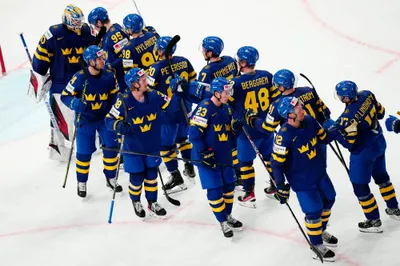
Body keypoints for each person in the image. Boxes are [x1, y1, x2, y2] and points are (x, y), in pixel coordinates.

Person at [105, 68, 188, 218]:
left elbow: (171, 110)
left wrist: (176, 93)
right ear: (134, 84)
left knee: (151, 175)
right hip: (133, 149)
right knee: (136, 178)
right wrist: (118, 126)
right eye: (142, 80)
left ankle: (152, 202)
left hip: (152, 145)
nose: (146, 82)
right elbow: (108, 120)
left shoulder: (154, 95)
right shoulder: (123, 100)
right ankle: (136, 201)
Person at [245, 69, 331, 197]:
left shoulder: (279, 104)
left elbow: (267, 128)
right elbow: (326, 112)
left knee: (305, 174)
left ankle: (314, 206)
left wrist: (253, 119)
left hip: (300, 143)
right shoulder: (308, 91)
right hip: (319, 136)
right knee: (320, 169)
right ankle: (324, 197)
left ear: (281, 86)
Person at [271, 97, 338, 262]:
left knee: (330, 199)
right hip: (302, 181)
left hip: (319, 172)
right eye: (298, 109)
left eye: (301, 106)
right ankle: (316, 244)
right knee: (313, 210)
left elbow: (324, 138)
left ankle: (320, 230)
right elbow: (277, 164)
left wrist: (336, 128)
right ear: (289, 115)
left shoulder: (309, 120)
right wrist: (280, 185)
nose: (302, 110)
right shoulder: (283, 136)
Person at [331, 81, 400, 232]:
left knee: (360, 186)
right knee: (382, 177)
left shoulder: (347, 118)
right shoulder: (367, 95)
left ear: (346, 98)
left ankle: (373, 220)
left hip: (363, 154)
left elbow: (351, 144)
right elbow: (381, 113)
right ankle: (394, 208)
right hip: (379, 143)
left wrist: (336, 132)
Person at [30, 4, 96, 162]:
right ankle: (61, 153)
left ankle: (95, 146)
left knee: (92, 115)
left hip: (85, 83)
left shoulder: (87, 31)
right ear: (66, 20)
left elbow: (98, 52)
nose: (78, 25)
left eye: (79, 21)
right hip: (61, 85)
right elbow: (40, 59)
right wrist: (39, 80)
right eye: (75, 21)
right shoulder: (52, 34)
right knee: (62, 122)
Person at [61, 45, 122, 198]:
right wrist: (75, 103)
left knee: (111, 149)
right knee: (83, 153)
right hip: (85, 121)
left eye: (103, 57)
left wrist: (118, 111)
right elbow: (65, 96)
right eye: (99, 59)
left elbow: (115, 95)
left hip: (105, 120)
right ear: (90, 61)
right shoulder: (79, 77)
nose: (103, 61)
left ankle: (111, 177)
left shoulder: (109, 75)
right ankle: (81, 182)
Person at [189, 77, 242, 238]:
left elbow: (229, 132)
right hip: (206, 158)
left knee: (229, 186)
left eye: (229, 92)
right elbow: (193, 135)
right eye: (226, 92)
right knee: (215, 189)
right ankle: (222, 221)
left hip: (224, 156)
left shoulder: (226, 108)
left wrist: (235, 128)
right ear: (217, 93)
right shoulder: (204, 107)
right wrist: (204, 152)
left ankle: (228, 215)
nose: (229, 95)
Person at [147, 36, 197, 193]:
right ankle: (189, 166)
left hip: (167, 113)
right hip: (185, 108)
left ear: (161, 51)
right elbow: (192, 82)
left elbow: (148, 91)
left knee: (165, 146)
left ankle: (175, 176)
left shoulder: (155, 68)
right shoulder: (184, 61)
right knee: (183, 139)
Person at [198, 36, 241, 187]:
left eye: (204, 49)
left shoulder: (206, 72)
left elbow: (203, 96)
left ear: (210, 52)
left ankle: (235, 172)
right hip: (235, 105)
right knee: (234, 140)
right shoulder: (230, 60)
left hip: (221, 109)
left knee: (226, 140)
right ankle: (239, 172)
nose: (202, 51)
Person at [87, 7, 129, 90]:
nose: (94, 28)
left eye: (94, 25)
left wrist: (109, 66)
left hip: (123, 79)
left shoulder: (114, 35)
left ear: (99, 23)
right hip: (118, 77)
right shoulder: (111, 31)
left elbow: (126, 58)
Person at [121, 14, 160, 81]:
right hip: (161, 71)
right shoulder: (153, 34)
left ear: (131, 29)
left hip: (148, 80)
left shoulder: (128, 48)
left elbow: (128, 72)